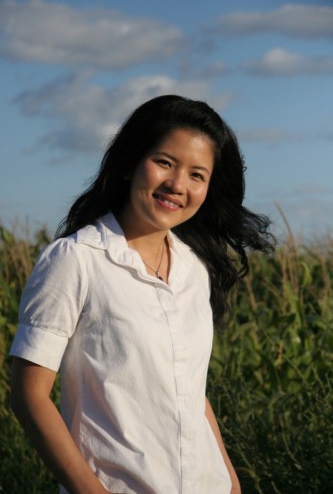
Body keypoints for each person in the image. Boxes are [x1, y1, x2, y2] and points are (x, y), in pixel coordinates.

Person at [10, 95, 273, 494]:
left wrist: (232, 483)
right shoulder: (76, 260)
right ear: (131, 162)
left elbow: (190, 392)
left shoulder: (194, 270)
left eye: (197, 175)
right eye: (165, 162)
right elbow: (29, 395)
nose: (177, 185)